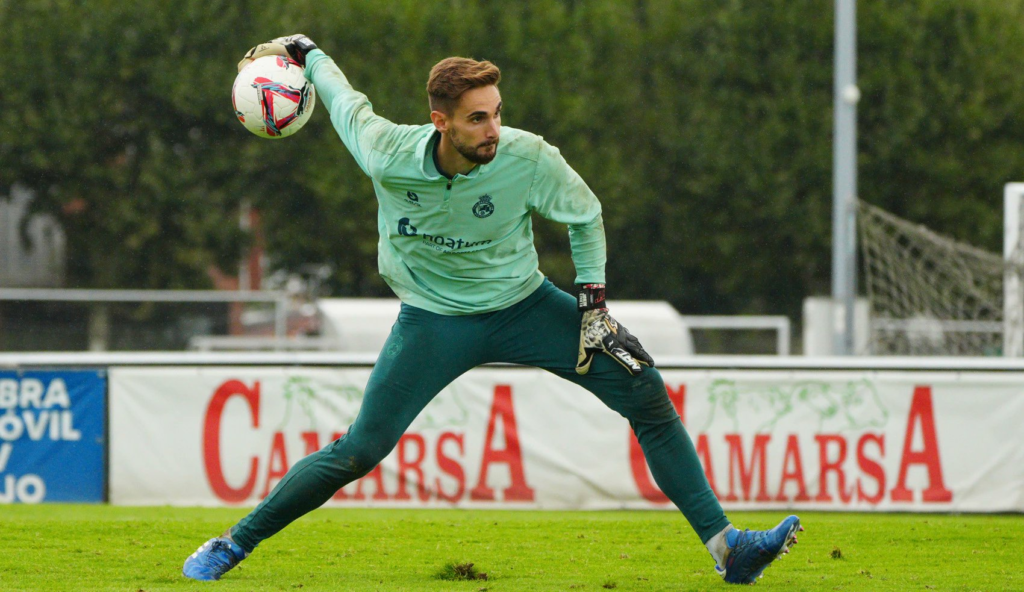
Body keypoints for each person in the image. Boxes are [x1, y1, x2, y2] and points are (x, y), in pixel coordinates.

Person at [183, 35, 802, 585]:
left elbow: (586, 216)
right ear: (440, 121)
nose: (493, 130)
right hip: (432, 319)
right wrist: (306, 51)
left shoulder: (526, 156)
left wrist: (592, 308)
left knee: (647, 394)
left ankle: (730, 549)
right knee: (359, 451)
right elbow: (344, 99)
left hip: (525, 307)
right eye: (478, 119)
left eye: (497, 114)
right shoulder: (384, 152)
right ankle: (232, 544)